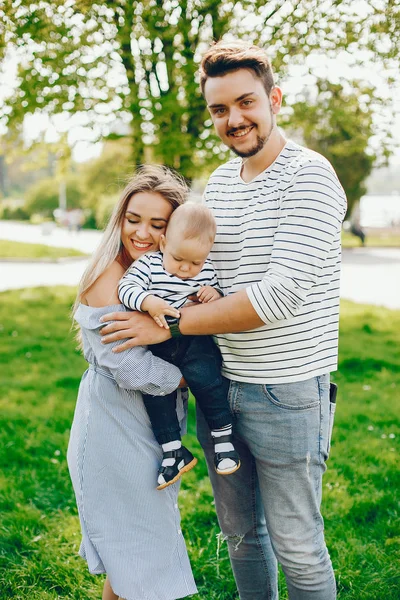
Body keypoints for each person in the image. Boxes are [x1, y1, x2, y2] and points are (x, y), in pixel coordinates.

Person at [99, 40, 347, 600]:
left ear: (274, 99)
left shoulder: (309, 177)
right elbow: (189, 273)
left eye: (246, 102)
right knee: (241, 538)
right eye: (219, 109)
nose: (234, 119)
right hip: (221, 382)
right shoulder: (219, 186)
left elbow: (277, 297)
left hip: (286, 390)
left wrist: (170, 327)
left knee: (298, 545)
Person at [67, 165, 198, 600]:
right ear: (119, 219)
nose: (141, 233)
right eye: (133, 219)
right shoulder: (109, 277)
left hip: (153, 429)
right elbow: (128, 367)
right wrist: (187, 377)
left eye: (157, 224)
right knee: (144, 552)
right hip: (113, 428)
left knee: (133, 560)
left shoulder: (167, 274)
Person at [118, 203, 240, 489]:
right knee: (156, 394)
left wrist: (215, 293)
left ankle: (224, 441)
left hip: (194, 342)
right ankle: (172, 450)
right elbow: (127, 288)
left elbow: (220, 301)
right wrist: (148, 301)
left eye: (195, 263)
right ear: (163, 243)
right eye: (178, 259)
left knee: (209, 382)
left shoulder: (206, 270)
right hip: (158, 348)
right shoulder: (148, 264)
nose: (186, 269)